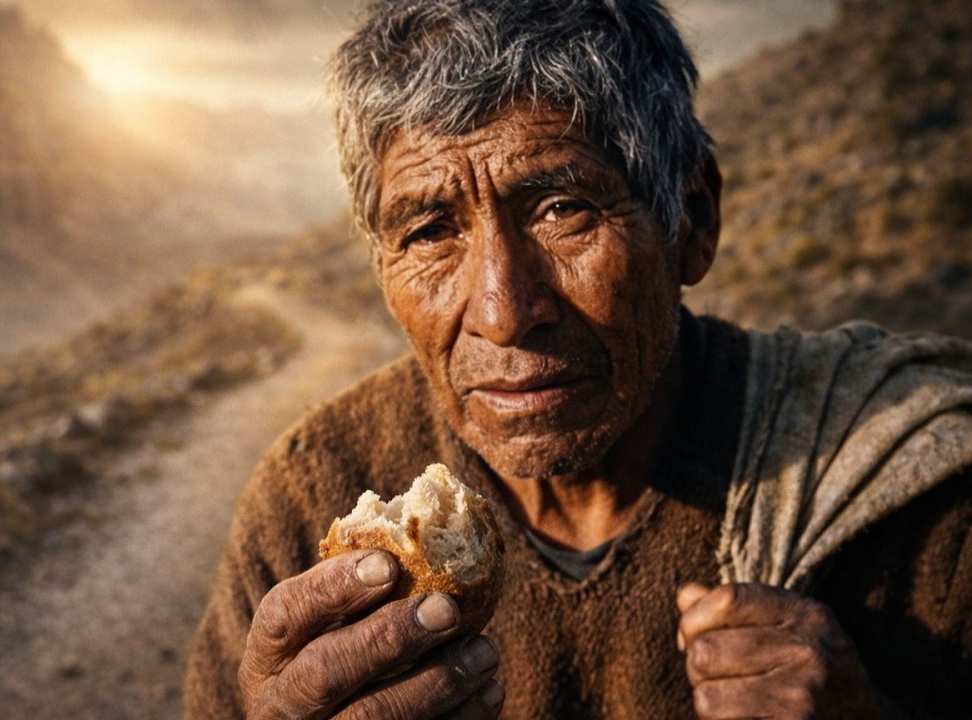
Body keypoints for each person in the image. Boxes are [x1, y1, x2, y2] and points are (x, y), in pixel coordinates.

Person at [183, 0, 972, 717]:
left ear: (692, 219)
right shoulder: (308, 500)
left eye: (565, 210)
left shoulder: (913, 495)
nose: (503, 311)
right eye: (428, 232)